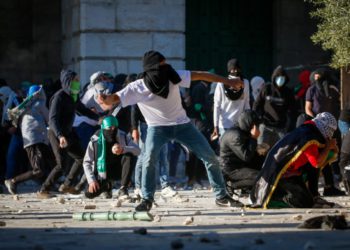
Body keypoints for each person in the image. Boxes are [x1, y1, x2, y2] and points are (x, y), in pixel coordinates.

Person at [97, 50, 244, 211]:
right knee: (148, 160)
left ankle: (221, 196)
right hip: (156, 128)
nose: (166, 68)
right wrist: (105, 99)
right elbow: (115, 98)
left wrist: (229, 82)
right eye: (162, 65)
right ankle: (147, 199)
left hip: (183, 125)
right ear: (152, 69)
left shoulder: (173, 75)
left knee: (210, 157)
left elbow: (202, 75)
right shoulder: (137, 87)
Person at [251, 112, 339, 208]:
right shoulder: (310, 137)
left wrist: (330, 147)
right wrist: (328, 147)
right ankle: (277, 197)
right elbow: (317, 163)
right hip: (280, 174)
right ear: (324, 126)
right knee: (304, 203)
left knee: (309, 197)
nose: (331, 133)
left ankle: (314, 194)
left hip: (293, 171)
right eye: (330, 130)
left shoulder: (311, 129)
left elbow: (326, 156)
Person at [37, 69, 99, 198]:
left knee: (81, 158)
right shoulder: (59, 97)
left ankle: (67, 185)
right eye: (75, 80)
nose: (78, 82)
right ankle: (43, 189)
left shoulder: (73, 96)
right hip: (57, 134)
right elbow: (52, 119)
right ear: (68, 81)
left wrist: (98, 118)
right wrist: (60, 136)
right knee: (61, 165)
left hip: (69, 132)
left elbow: (83, 110)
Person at [4, 85, 54, 194]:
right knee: (39, 169)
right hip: (34, 140)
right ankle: (13, 181)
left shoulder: (25, 106)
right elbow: (50, 119)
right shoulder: (38, 104)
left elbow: (12, 114)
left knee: (49, 163)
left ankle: (47, 186)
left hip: (36, 140)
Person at [305, 68, 344, 196]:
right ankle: (322, 187)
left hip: (332, 127)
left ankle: (330, 185)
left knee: (331, 154)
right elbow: (308, 109)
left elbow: (340, 104)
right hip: (318, 127)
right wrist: (317, 120)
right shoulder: (312, 90)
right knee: (321, 155)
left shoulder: (333, 89)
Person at [83, 116, 140, 199]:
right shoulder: (95, 140)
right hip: (102, 172)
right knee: (89, 193)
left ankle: (123, 188)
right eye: (109, 128)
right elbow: (86, 162)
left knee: (129, 155)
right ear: (103, 128)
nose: (112, 130)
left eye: (115, 128)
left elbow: (138, 150)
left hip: (118, 169)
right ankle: (107, 186)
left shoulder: (122, 135)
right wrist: (91, 180)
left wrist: (123, 149)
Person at [131, 104, 177, 198]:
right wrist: (134, 128)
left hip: (162, 124)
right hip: (146, 125)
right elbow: (134, 108)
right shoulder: (142, 91)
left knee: (163, 156)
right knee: (143, 156)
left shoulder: (160, 90)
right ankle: (138, 187)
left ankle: (165, 186)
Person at [253, 65, 296, 152]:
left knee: (281, 153)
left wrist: (290, 126)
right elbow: (257, 104)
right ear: (274, 77)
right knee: (261, 152)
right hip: (265, 126)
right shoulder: (267, 88)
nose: (280, 80)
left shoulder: (288, 92)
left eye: (282, 78)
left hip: (281, 128)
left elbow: (293, 110)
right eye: (278, 77)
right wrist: (258, 118)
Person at [219, 110, 263, 195]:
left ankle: (246, 187)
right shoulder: (236, 135)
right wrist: (254, 138)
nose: (257, 127)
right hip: (231, 170)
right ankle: (232, 185)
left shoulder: (243, 131)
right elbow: (246, 157)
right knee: (259, 177)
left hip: (239, 164)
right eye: (255, 125)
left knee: (264, 164)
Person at [212, 58, 250, 139]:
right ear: (229, 70)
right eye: (233, 69)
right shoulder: (221, 84)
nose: (235, 72)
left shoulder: (245, 83)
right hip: (224, 126)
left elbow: (247, 104)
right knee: (225, 150)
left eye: (237, 69)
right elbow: (216, 106)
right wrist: (216, 126)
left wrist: (248, 122)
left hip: (240, 125)